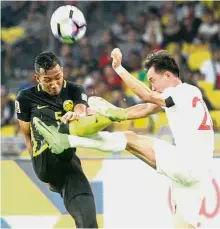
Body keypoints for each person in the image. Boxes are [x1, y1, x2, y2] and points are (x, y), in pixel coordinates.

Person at [33, 49, 214, 229]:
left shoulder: (180, 92)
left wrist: (119, 68)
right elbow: (143, 108)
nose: (152, 86)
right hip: (199, 174)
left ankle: (68, 140)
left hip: (187, 163)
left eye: (152, 80)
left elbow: (147, 96)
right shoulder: (187, 94)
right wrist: (108, 114)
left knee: (129, 138)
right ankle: (70, 137)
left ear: (167, 75)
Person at [16, 51, 113, 228]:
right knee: (56, 136)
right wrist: (42, 172)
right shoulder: (25, 98)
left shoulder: (75, 90)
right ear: (37, 78)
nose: (54, 84)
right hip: (43, 157)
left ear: (62, 71)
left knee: (89, 221)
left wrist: (76, 115)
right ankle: (56, 132)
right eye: (47, 80)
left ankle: (64, 130)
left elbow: (81, 110)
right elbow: (27, 137)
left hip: (68, 162)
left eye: (58, 77)